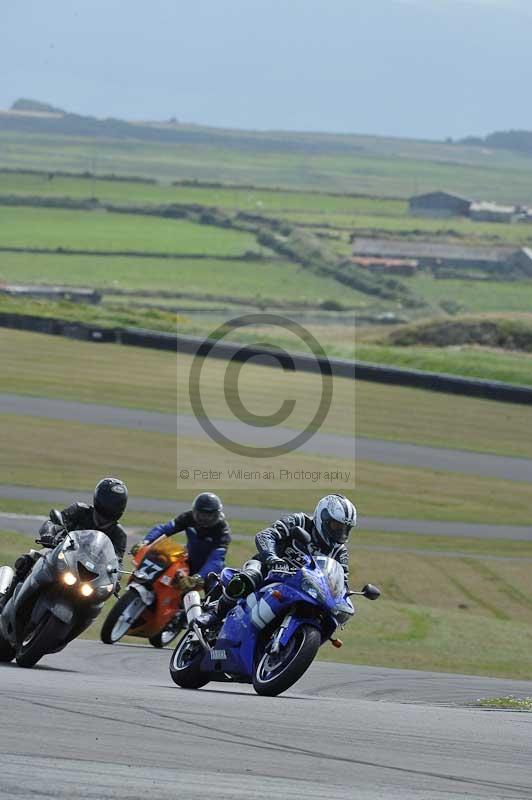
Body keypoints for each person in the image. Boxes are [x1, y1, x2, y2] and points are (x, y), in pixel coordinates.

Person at [197, 493, 357, 629]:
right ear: (323, 517)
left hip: (302, 586)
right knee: (248, 577)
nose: (341, 532)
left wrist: (344, 597)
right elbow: (266, 535)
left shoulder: (339, 550)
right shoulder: (299, 521)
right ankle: (215, 614)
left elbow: (342, 581)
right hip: (268, 569)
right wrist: (273, 558)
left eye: (345, 528)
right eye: (337, 526)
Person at [0, 477, 128, 609]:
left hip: (91, 575)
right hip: (61, 557)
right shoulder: (80, 510)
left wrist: (115, 579)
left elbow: (117, 561)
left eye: (114, 504)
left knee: (97, 605)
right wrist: (49, 534)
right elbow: (54, 523)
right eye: (108, 502)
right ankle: (4, 600)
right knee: (29, 559)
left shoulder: (119, 535)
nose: (109, 507)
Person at [139, 492, 231, 588]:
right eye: (201, 514)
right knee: (164, 584)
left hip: (210, 571)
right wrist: (145, 542)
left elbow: (216, 560)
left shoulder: (222, 530)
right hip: (188, 563)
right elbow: (164, 529)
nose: (204, 519)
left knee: (214, 594)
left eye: (209, 515)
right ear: (195, 511)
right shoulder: (188, 518)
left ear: (217, 514)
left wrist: (199, 577)